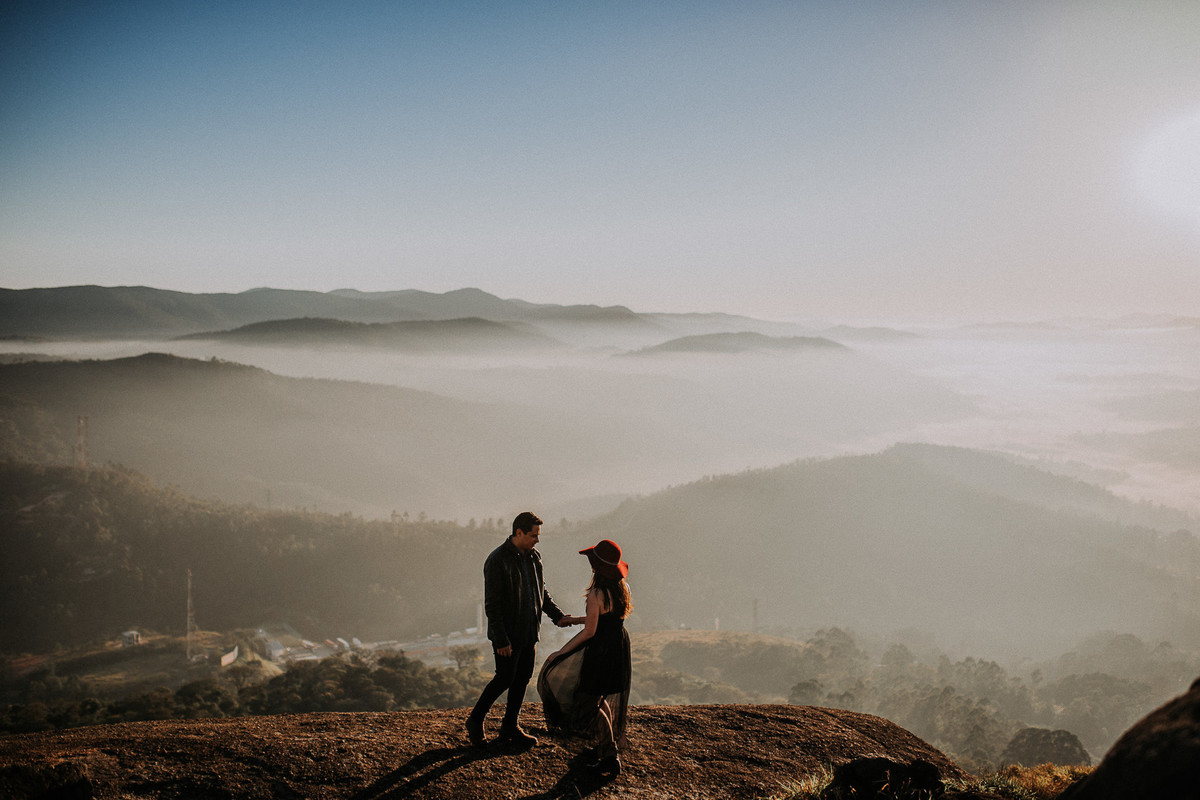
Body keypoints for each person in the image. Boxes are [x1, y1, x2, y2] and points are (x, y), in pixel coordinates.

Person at [466, 511, 577, 748]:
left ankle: (510, 726)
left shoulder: (534, 558)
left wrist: (557, 616)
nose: (537, 539)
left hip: (529, 632)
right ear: (519, 532)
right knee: (504, 678)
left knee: (522, 678)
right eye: (533, 535)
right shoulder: (497, 560)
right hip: (507, 635)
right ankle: (475, 721)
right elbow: (492, 605)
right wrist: (501, 639)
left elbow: (541, 593)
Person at [539, 539, 633, 776]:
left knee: (589, 701)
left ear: (596, 567)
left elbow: (591, 632)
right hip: (618, 647)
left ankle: (610, 756)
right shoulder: (623, 588)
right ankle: (606, 747)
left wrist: (562, 652)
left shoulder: (596, 593)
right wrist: (575, 620)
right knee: (599, 698)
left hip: (600, 652)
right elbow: (604, 620)